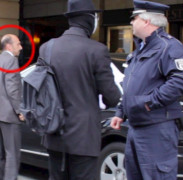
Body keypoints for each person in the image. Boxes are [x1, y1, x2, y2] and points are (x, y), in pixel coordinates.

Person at [38, 0, 121, 179]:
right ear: (89, 20)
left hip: (54, 131)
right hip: (83, 136)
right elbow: (111, 96)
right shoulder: (97, 50)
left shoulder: (47, 48)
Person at [110, 0, 183, 179]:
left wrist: (147, 103)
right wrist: (120, 112)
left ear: (147, 21)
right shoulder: (139, 50)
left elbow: (180, 82)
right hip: (136, 127)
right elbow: (130, 86)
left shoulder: (169, 47)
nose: (131, 22)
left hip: (157, 128)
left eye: (135, 18)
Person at [0, 34, 24, 180]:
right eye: (18, 44)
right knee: (12, 155)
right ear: (9, 46)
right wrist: (19, 110)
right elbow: (12, 89)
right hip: (9, 116)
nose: (20, 47)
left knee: (1, 154)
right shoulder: (11, 61)